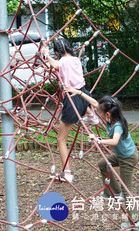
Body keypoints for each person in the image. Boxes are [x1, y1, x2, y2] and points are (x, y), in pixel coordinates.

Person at [64, 88, 139, 231]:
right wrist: (79, 93)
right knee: (103, 164)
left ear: (107, 114)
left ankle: (136, 222)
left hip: (128, 158)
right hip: (120, 155)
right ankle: (113, 192)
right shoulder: (110, 118)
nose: (97, 114)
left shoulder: (117, 125)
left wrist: (98, 140)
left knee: (127, 190)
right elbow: (94, 103)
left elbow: (114, 142)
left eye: (100, 113)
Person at [42, 38, 97, 183]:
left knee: (61, 139)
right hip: (84, 94)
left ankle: (67, 173)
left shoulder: (62, 61)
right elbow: (61, 68)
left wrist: (46, 55)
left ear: (56, 52)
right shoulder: (75, 60)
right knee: (82, 111)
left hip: (72, 99)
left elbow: (55, 64)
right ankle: (90, 115)